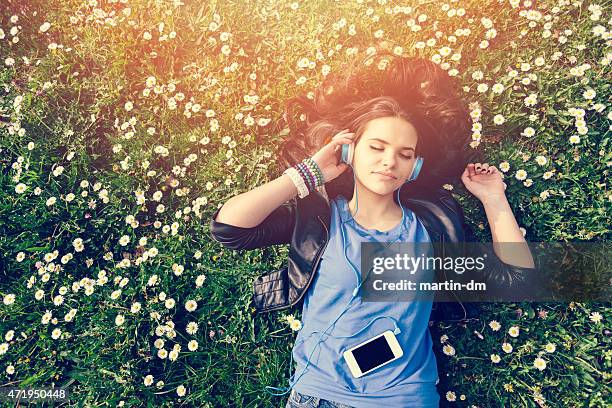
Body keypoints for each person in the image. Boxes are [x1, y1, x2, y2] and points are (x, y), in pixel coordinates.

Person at [210, 54, 535, 408]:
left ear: (415, 167)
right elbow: (230, 228)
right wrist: (308, 173)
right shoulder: (318, 219)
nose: (389, 161)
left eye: (404, 154)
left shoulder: (432, 226)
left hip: (403, 399)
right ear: (349, 150)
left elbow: (517, 277)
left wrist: (493, 198)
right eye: (376, 147)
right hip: (316, 397)